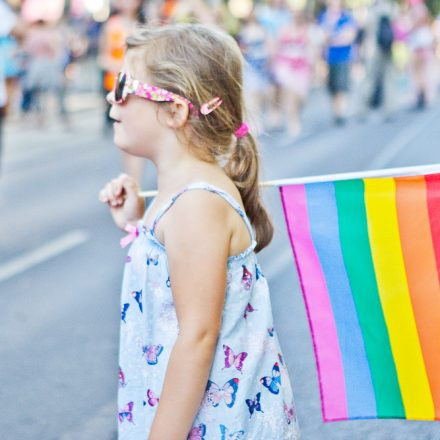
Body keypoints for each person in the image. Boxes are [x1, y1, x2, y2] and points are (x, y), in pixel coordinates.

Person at [98, 23, 300, 440]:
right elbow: (173, 281)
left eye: (124, 86)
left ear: (174, 111)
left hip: (211, 426)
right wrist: (137, 225)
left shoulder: (196, 204)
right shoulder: (182, 192)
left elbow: (198, 337)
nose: (110, 96)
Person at [318, 0, 357, 125]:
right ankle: (336, 111)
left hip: (343, 57)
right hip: (328, 58)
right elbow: (320, 37)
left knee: (341, 86)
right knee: (332, 87)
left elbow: (348, 38)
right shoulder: (323, 17)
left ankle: (340, 113)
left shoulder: (346, 17)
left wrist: (331, 38)